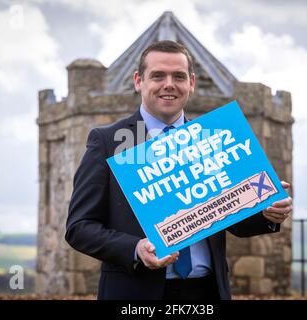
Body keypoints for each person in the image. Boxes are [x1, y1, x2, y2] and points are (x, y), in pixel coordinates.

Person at [65, 40, 293, 300]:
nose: (169, 84)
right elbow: (79, 227)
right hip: (136, 294)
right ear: (139, 81)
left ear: (191, 83)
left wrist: (266, 212)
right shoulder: (107, 141)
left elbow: (235, 221)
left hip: (207, 292)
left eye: (179, 76)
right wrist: (135, 248)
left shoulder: (213, 140)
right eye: (158, 76)